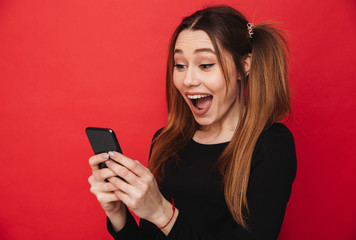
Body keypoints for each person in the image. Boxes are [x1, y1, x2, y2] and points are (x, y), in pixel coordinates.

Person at [88, 5, 297, 240]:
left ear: (244, 66)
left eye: (206, 65)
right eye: (180, 65)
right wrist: (119, 215)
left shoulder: (272, 144)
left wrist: (162, 212)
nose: (188, 80)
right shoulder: (166, 141)